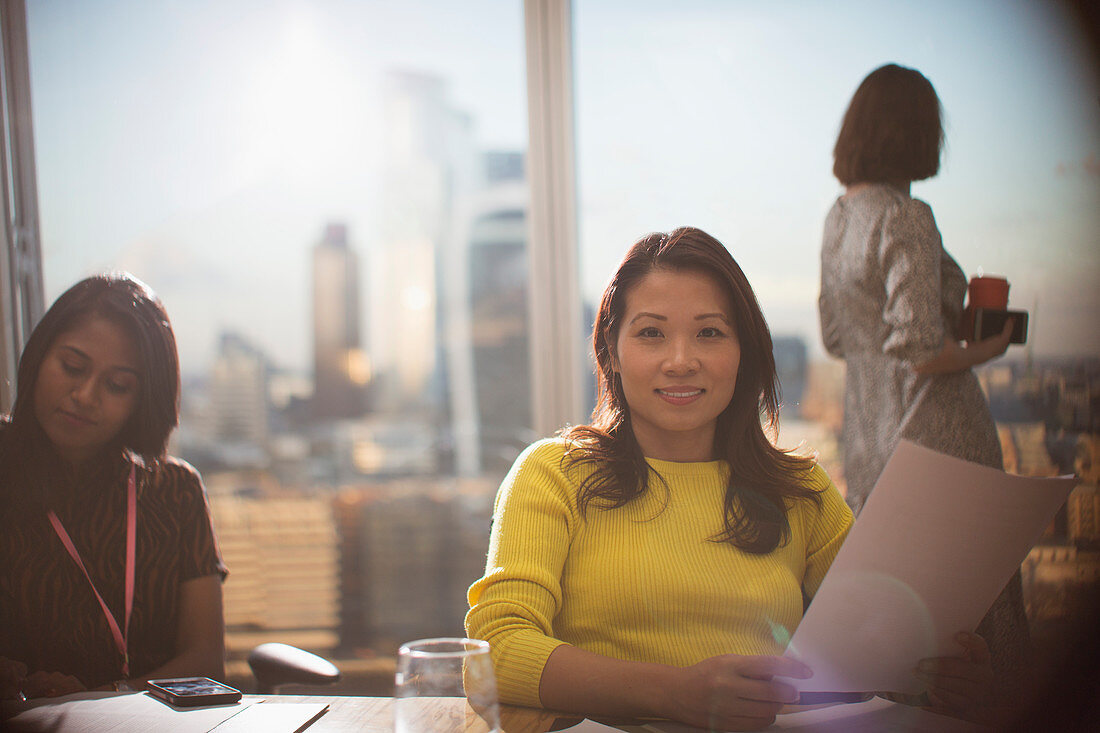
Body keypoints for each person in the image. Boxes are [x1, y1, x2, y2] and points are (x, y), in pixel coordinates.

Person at [467, 227, 994, 730]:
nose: (681, 361)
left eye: (709, 333)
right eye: (651, 333)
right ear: (613, 351)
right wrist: (674, 692)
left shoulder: (801, 490)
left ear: (743, 352)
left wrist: (940, 678)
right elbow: (496, 653)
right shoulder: (554, 473)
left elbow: (880, 653)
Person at [818, 63, 1028, 703]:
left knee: (903, 626)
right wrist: (989, 344)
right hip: (940, 437)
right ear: (919, 133)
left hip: (869, 444)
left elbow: (835, 337)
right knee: (980, 617)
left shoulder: (838, 219)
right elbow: (918, 349)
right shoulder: (908, 214)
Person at [0, 273, 227, 700]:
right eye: (71, 367)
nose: (85, 395)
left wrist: (97, 697)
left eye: (117, 385)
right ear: (38, 357)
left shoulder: (175, 490)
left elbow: (206, 662)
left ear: (142, 399)